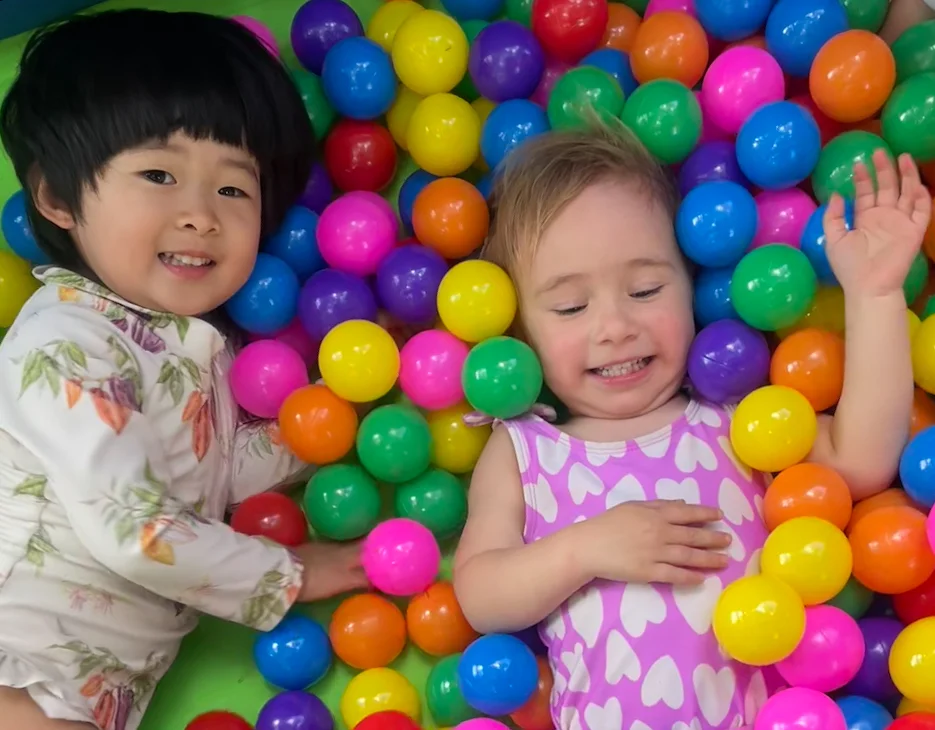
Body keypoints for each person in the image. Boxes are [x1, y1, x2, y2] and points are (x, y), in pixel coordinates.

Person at [453, 121, 932, 730]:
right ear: (521, 332)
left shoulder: (739, 421)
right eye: (572, 306)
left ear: (691, 286)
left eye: (647, 288)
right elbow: (481, 594)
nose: (616, 326)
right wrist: (586, 548)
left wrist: (875, 294)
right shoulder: (525, 448)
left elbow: (861, 459)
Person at [0, 10, 367, 730]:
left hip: (76, 694)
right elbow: (134, 528)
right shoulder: (64, 339)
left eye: (233, 189)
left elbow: (211, 474)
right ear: (56, 198)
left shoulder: (181, 350)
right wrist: (289, 577)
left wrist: (345, 411)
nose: (200, 214)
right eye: (159, 174)